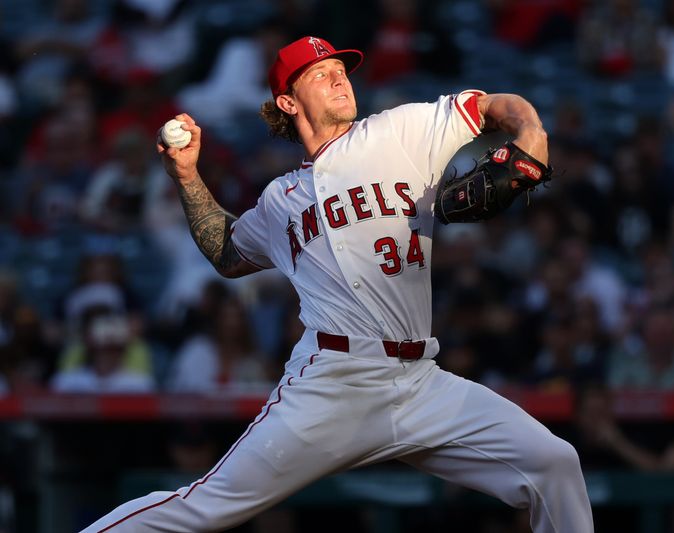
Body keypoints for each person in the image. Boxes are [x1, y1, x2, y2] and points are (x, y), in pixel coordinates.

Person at [83, 36, 593, 532]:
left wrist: (531, 135)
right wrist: (187, 177)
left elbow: (495, 105)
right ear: (288, 100)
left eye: (342, 71)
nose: (339, 80)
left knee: (554, 464)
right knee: (207, 505)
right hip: (332, 384)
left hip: (420, 381)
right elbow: (226, 252)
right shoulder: (278, 199)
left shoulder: (399, 131)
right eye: (320, 74)